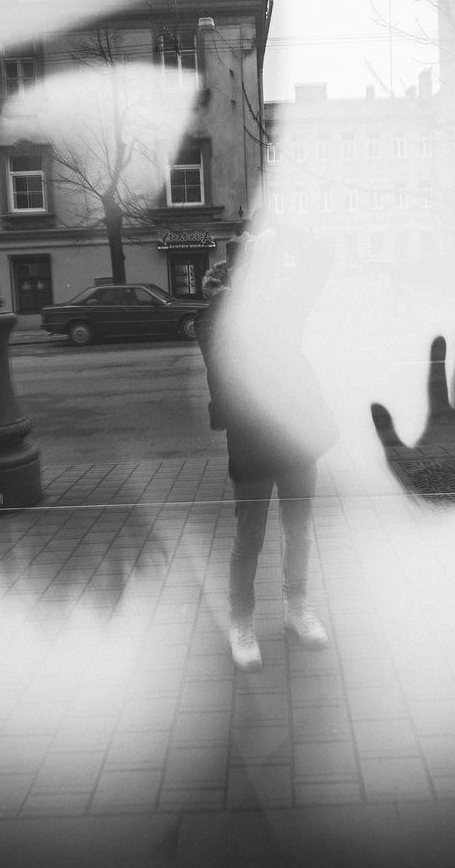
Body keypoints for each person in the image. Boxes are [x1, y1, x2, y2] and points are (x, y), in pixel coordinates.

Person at [196, 213, 339, 671]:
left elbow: (320, 260)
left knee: (297, 529)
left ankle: (297, 607)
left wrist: (283, 227)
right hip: (253, 438)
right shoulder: (218, 317)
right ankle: (242, 622)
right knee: (249, 537)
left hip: (296, 433)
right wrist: (233, 280)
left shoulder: (286, 305)